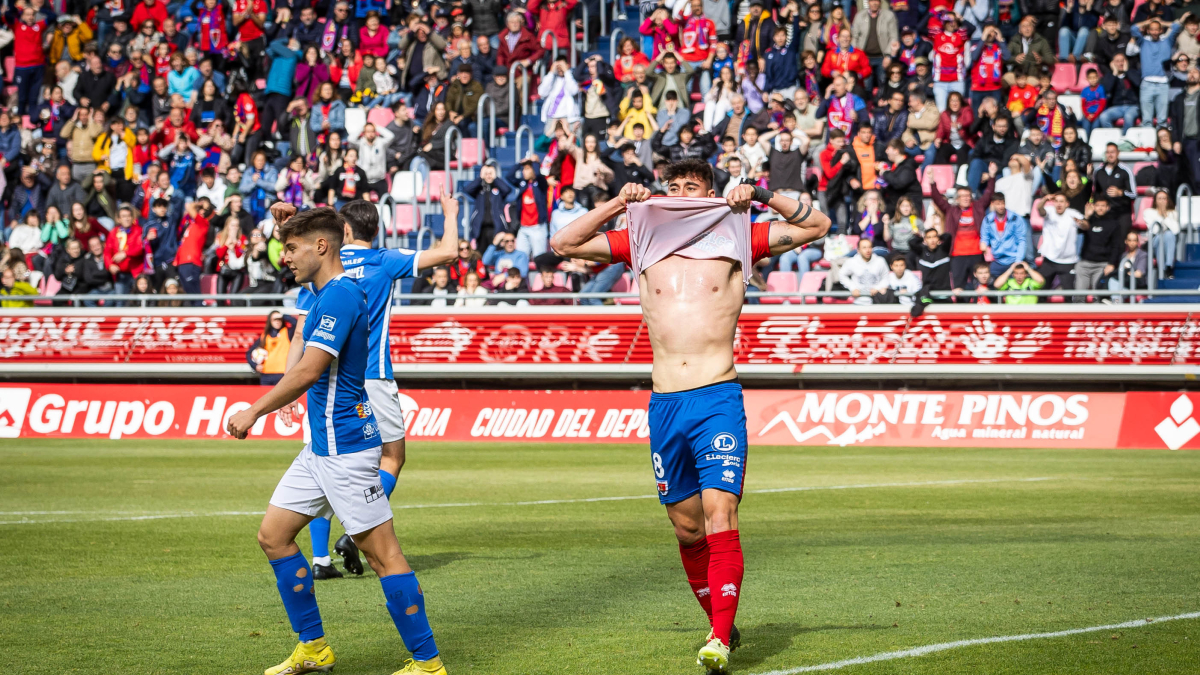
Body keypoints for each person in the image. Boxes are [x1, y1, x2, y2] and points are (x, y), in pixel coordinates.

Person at [550, 159, 830, 673]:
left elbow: (817, 225)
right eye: (672, 188)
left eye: (691, 188)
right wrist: (619, 203)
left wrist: (759, 194)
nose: (680, 195)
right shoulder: (642, 239)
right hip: (664, 404)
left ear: (710, 192)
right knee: (686, 529)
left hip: (716, 399)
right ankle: (721, 620)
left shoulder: (738, 231)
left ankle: (719, 639)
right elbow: (563, 244)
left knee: (721, 515)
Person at [226, 206, 449, 675]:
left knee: (385, 557)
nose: (283, 257)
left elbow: (308, 369)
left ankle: (428, 664)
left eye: (291, 248)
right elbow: (319, 229)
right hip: (321, 448)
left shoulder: (341, 296)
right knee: (274, 536)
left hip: (347, 447)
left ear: (322, 247)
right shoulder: (326, 289)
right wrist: (290, 218)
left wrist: (254, 410)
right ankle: (314, 649)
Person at [283, 193, 460, 580]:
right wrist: (451, 213)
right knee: (392, 457)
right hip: (373, 374)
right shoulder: (383, 260)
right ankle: (354, 533)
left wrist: (288, 385)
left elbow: (298, 332)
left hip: (325, 380)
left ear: (339, 231)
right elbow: (449, 253)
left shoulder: (321, 269)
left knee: (322, 460)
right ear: (374, 229)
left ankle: (320, 560)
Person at [931, 178, 995, 288]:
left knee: (978, 287)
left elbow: (988, 195)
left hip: (976, 253)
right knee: (959, 287)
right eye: (962, 196)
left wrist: (992, 177)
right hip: (957, 255)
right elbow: (938, 199)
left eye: (968, 195)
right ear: (957, 198)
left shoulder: (978, 207)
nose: (966, 198)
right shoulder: (951, 210)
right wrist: (932, 183)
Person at [1076, 197, 1124, 297]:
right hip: (1085, 263)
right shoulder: (1088, 220)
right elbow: (1080, 230)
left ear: (1108, 207)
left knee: (1097, 297)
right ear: (1094, 207)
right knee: (1079, 297)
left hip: (1102, 265)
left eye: (1103, 206)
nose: (1100, 208)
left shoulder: (1114, 224)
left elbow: (1116, 245)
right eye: (1098, 205)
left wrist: (1111, 263)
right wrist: (1086, 216)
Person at [980, 193, 1029, 275]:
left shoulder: (1015, 219)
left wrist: (1018, 261)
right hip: (997, 260)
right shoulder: (988, 220)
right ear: (992, 204)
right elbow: (984, 237)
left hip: (1013, 260)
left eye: (1002, 203)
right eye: (998, 204)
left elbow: (1021, 240)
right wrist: (983, 244)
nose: (1001, 206)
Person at [247, 311, 297, 385]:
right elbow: (248, 353)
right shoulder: (264, 336)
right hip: (266, 374)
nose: (277, 322)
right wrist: (255, 366)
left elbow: (296, 323)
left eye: (279, 319)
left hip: (282, 373)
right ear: (270, 321)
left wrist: (283, 316)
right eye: (274, 319)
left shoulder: (287, 333)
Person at [1143, 189, 1179, 278]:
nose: (1162, 201)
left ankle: (1166, 267)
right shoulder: (1149, 212)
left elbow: (1176, 230)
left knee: (1169, 234)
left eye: (1164, 198)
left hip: (1168, 241)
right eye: (1160, 199)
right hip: (1154, 241)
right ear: (1155, 201)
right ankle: (1165, 269)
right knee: (1161, 237)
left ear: (1167, 200)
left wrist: (1165, 216)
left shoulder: (1173, 213)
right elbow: (1154, 230)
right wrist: (1160, 215)